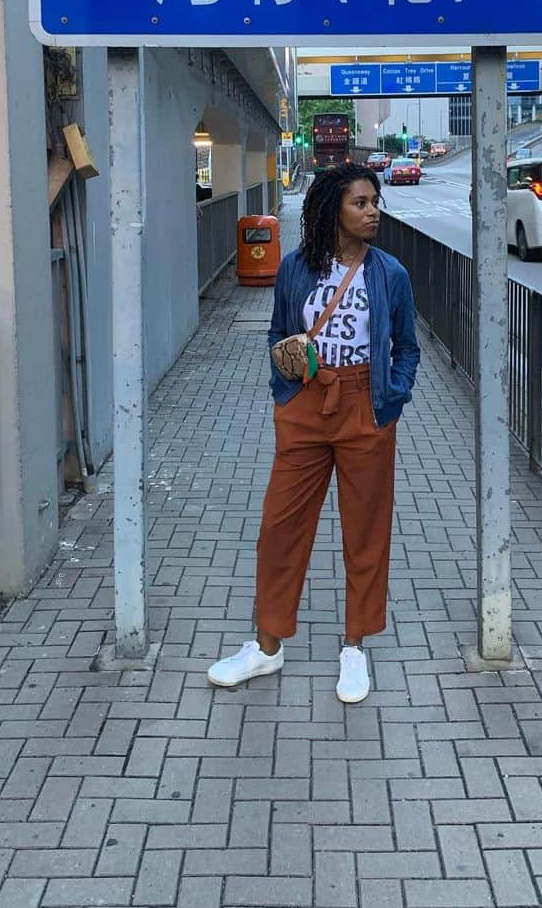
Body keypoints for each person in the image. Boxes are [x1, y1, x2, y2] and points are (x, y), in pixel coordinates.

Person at [208, 162, 420, 703]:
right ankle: (266, 646)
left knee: (364, 532)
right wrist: (285, 381)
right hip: (305, 403)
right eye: (361, 203)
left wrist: (391, 401)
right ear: (333, 210)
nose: (373, 211)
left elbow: (408, 347)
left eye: (375, 202)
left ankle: (353, 646)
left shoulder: (390, 273)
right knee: (280, 528)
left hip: (364, 407)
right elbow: (281, 330)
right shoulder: (296, 269)